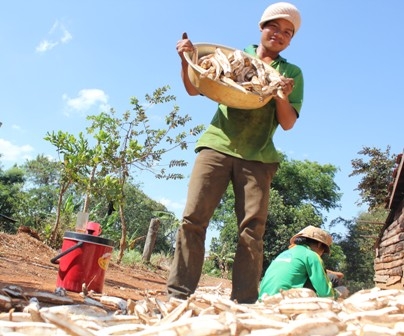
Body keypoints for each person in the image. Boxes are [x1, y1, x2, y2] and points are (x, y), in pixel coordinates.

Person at [167, 2, 304, 304]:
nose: (279, 35)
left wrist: (281, 95)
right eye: (274, 27)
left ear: (291, 40)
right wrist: (185, 59)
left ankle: (243, 303)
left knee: (251, 231)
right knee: (193, 219)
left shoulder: (290, 72)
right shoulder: (231, 56)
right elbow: (195, 88)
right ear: (262, 27)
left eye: (287, 32)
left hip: (259, 157)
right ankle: (178, 295)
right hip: (216, 145)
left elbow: (288, 122)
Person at [258, 226, 349, 299]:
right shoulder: (311, 255)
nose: (321, 255)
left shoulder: (284, 254)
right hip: (285, 299)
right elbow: (326, 294)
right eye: (323, 251)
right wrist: (339, 294)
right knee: (335, 281)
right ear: (319, 244)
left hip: (263, 298)